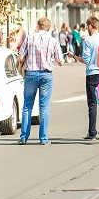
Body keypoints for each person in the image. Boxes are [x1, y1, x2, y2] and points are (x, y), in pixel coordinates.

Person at [17, 17, 63, 145]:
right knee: (44, 107)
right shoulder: (53, 41)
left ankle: (23, 137)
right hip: (46, 75)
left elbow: (20, 57)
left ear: (38, 26)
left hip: (31, 74)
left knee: (27, 105)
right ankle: (43, 138)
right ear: (48, 28)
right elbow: (60, 62)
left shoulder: (30, 38)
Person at [68, 16, 99, 141]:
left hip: (92, 74)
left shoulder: (88, 41)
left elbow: (86, 60)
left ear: (90, 26)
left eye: (87, 27)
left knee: (92, 103)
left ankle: (92, 132)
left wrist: (74, 56)